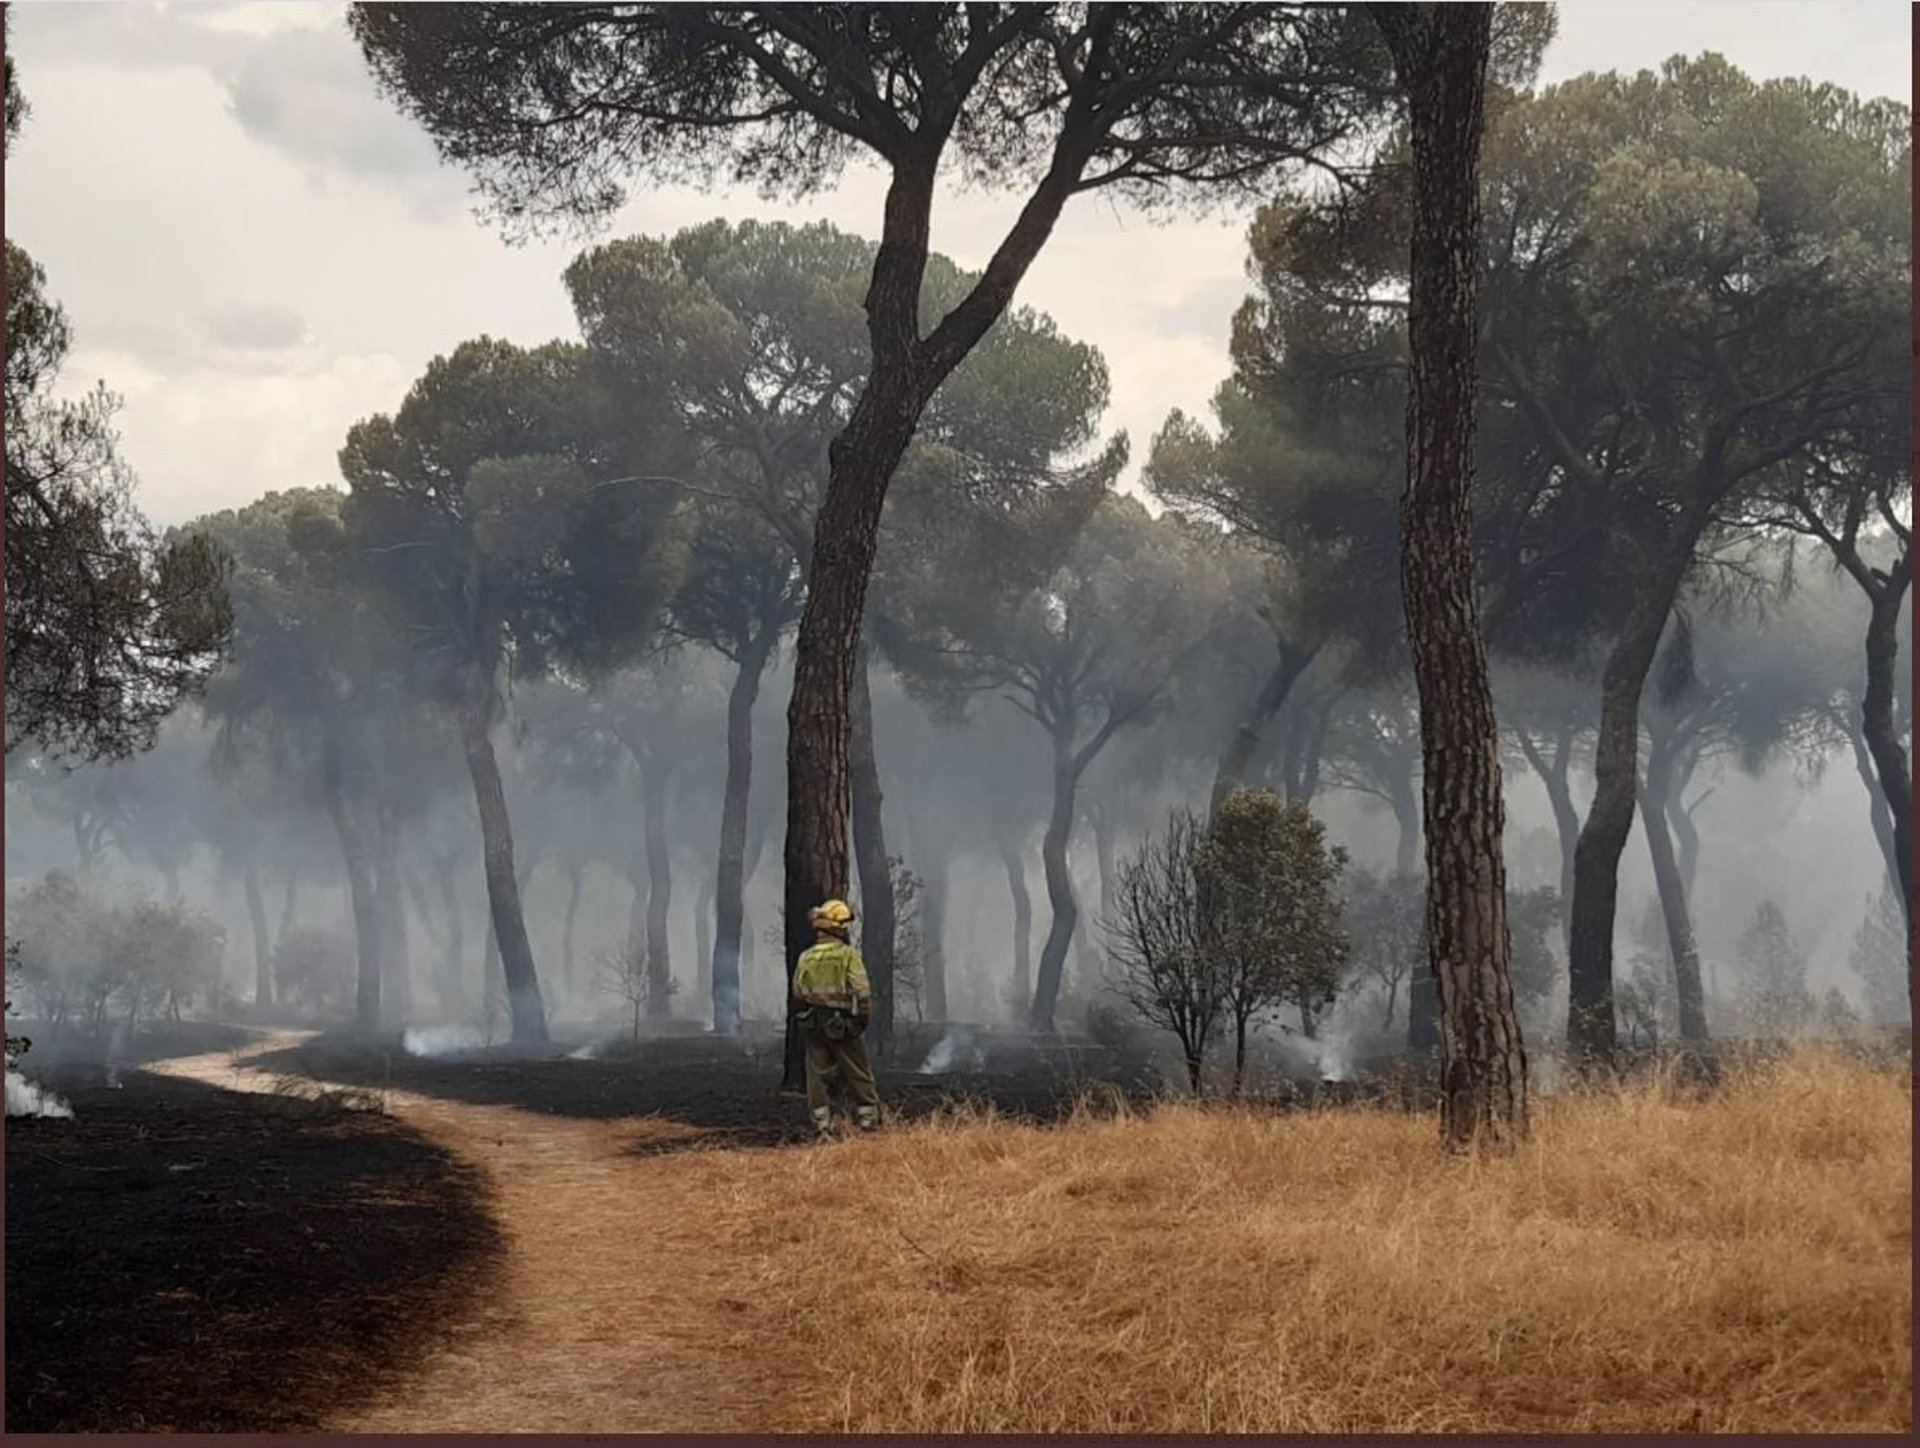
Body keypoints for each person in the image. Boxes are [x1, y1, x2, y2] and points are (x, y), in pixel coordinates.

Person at [791, 898, 882, 1133]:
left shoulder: (806, 957)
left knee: (816, 1074)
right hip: (842, 1022)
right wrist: (860, 1020)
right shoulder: (846, 956)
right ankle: (868, 1119)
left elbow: (798, 991)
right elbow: (862, 991)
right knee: (857, 1070)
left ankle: (820, 1122)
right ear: (837, 927)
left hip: (814, 1022)